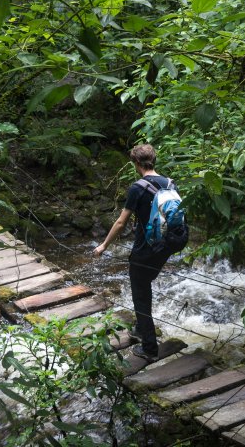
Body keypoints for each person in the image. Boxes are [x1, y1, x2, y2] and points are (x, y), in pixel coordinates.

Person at [93, 143, 173, 362]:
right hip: (166, 245)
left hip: (144, 248)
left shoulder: (138, 187)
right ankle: (140, 327)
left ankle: (149, 348)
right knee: (145, 284)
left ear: (136, 163)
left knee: (140, 294)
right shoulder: (169, 183)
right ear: (154, 160)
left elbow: (121, 222)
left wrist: (103, 246)